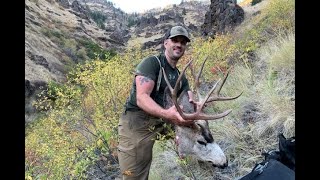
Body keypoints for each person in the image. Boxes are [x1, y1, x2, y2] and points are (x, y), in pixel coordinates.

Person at [117, 25, 195, 180]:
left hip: (162, 121)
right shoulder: (152, 63)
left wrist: (195, 105)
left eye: (183, 42)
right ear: (165, 43)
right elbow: (141, 98)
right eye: (175, 40)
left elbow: (187, 98)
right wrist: (167, 114)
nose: (179, 44)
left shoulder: (180, 76)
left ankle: (204, 166)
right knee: (133, 175)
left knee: (196, 131)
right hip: (137, 124)